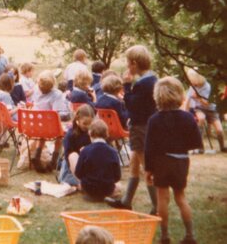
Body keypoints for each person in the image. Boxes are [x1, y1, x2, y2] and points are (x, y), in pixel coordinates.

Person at [145, 77, 203, 244]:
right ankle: (190, 235)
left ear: (157, 96)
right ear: (179, 95)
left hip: (161, 162)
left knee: (162, 199)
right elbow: (196, 143)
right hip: (181, 161)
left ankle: (164, 236)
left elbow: (149, 147)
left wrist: (148, 169)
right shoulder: (187, 118)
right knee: (181, 198)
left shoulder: (154, 120)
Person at [106, 45, 158, 214]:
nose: (127, 67)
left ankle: (157, 206)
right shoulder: (152, 79)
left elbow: (132, 105)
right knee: (134, 165)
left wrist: (126, 87)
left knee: (147, 168)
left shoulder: (143, 84)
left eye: (128, 63)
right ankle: (126, 201)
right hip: (144, 126)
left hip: (140, 128)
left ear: (134, 63)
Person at [31, 70, 71, 172]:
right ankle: (54, 160)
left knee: (44, 128)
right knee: (60, 132)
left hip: (34, 125)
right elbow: (56, 113)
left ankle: (37, 154)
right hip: (49, 126)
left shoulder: (35, 89)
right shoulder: (57, 94)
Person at [75, 119, 121, 201]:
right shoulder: (113, 152)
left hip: (89, 188)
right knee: (119, 186)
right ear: (106, 134)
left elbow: (78, 173)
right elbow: (117, 176)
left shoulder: (85, 151)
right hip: (107, 189)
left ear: (90, 133)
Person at [184, 68, 226, 152]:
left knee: (219, 130)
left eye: (192, 80)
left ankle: (222, 147)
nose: (191, 82)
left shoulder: (207, 86)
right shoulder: (192, 87)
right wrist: (185, 113)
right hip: (199, 108)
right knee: (201, 118)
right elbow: (187, 100)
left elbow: (207, 102)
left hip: (211, 110)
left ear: (197, 79)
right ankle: (200, 146)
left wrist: (198, 98)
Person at [58, 105, 96, 186]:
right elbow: (68, 155)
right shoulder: (71, 135)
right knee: (66, 178)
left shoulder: (92, 134)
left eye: (90, 123)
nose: (87, 126)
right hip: (71, 164)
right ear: (77, 120)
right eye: (85, 123)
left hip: (86, 164)